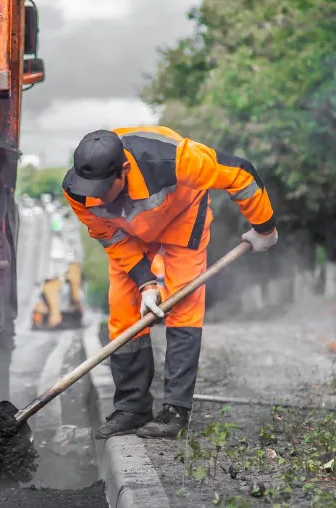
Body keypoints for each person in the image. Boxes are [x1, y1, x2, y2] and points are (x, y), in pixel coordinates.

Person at [62, 126, 278, 439]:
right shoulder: (77, 190)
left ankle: (175, 410)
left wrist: (264, 226)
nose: (95, 195)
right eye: (90, 188)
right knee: (123, 313)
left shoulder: (174, 159)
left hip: (183, 218)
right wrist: (146, 283)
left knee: (183, 307)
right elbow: (110, 237)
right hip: (130, 235)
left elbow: (239, 173)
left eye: (104, 188)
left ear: (124, 169)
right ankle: (131, 408)